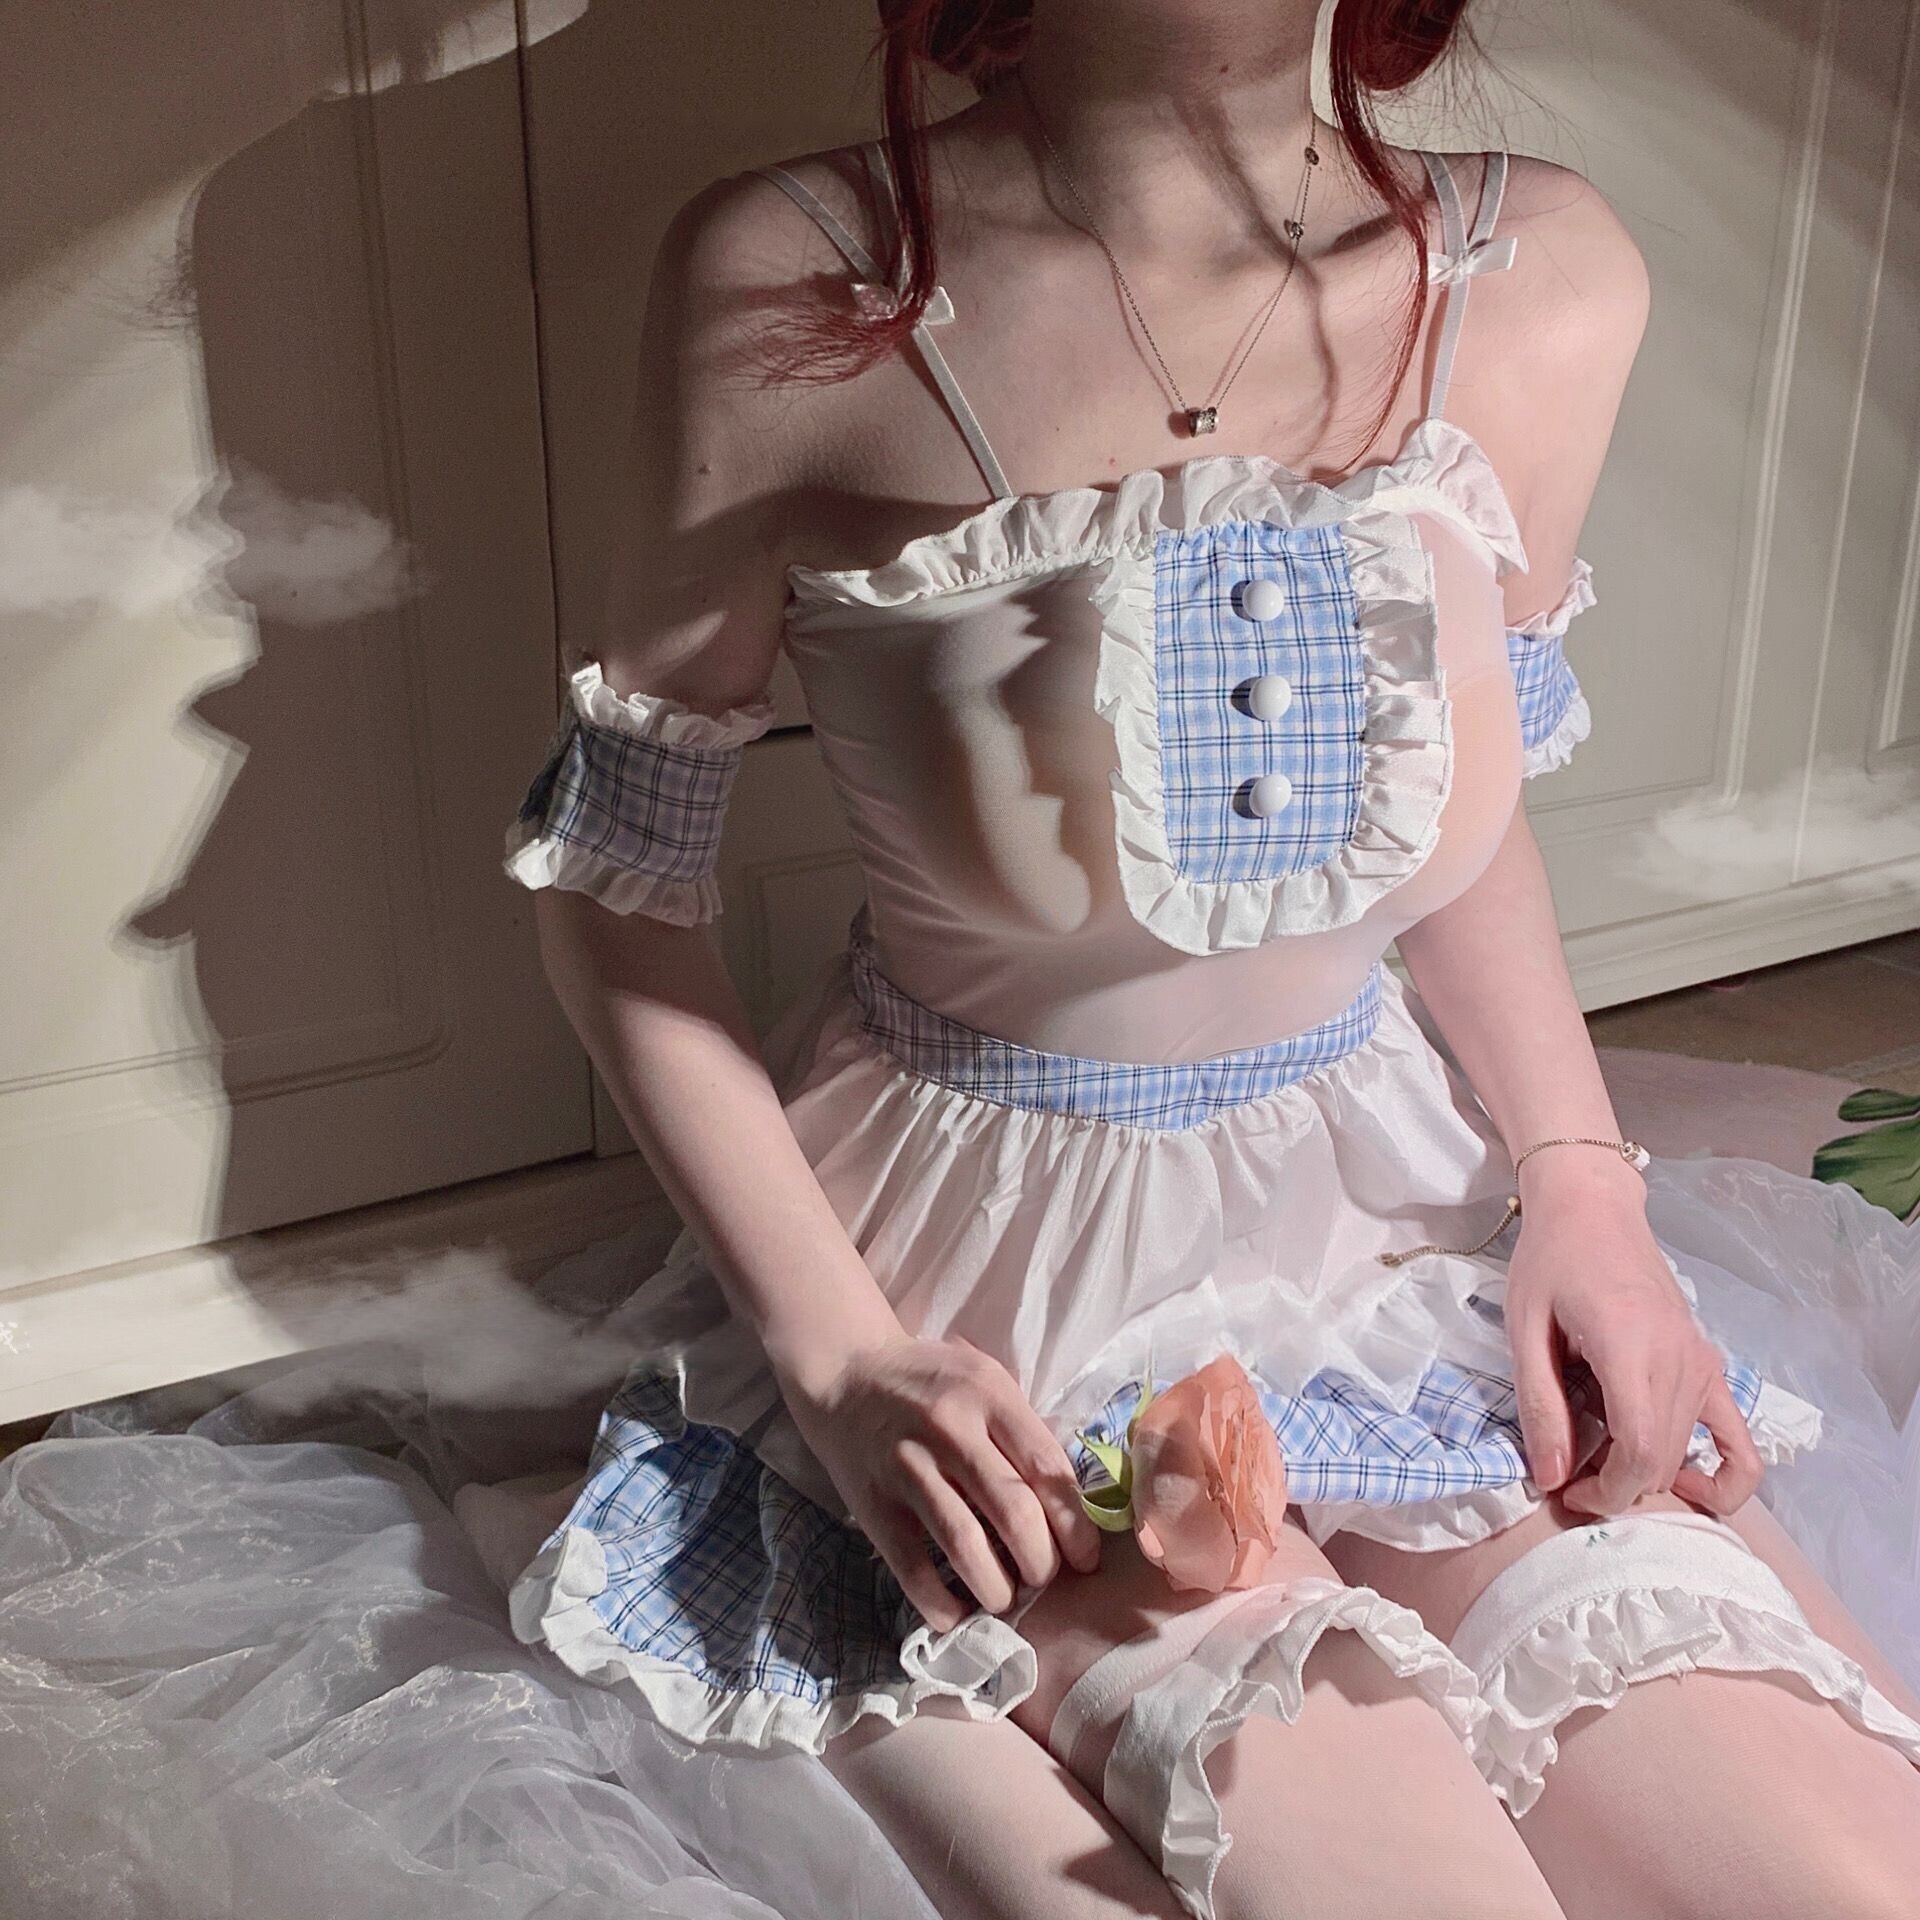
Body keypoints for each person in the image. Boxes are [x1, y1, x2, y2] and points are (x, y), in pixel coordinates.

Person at [499, 3, 1920, 1915]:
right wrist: (843, 1363)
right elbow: (614, 887)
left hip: (1390, 1218)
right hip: (994, 1278)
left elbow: (1446, 825)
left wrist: (1584, 1185)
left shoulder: (1540, 276)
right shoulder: (795, 282)